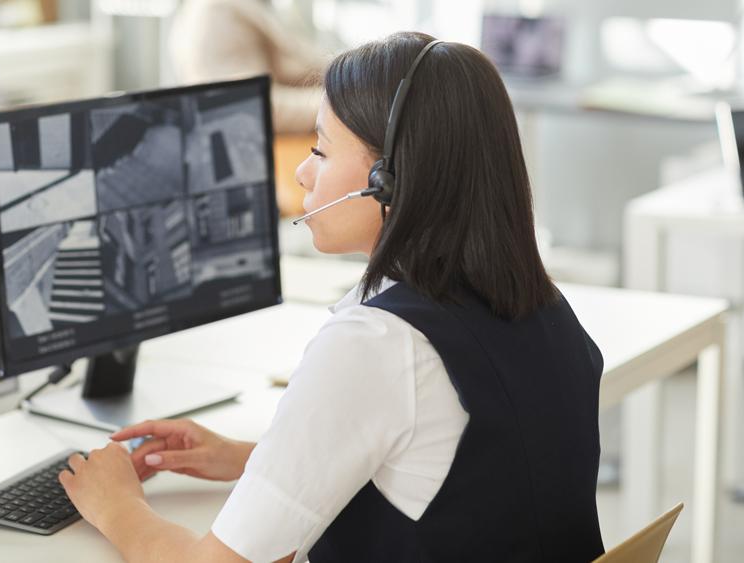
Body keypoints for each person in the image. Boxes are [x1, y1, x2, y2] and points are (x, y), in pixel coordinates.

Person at [58, 31, 605, 562]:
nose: (301, 171)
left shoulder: (378, 344)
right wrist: (251, 461)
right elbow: (460, 476)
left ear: (386, 179)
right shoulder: (543, 307)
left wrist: (118, 506)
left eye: (320, 149)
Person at [168, 0, 327, 134]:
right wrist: (339, 103)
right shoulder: (217, 11)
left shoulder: (254, 6)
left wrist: (345, 72)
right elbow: (247, 104)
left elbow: (300, 63)